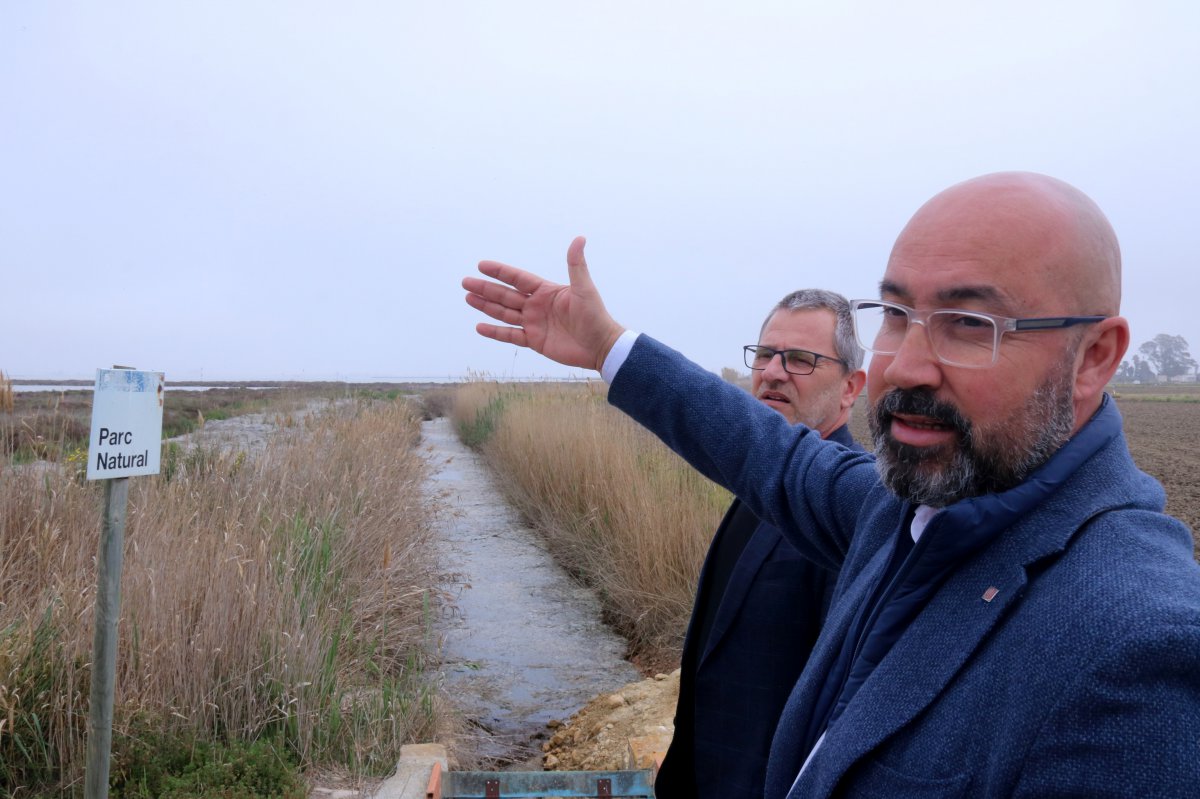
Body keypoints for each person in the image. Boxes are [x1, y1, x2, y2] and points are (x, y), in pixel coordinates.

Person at [464, 171, 1200, 797]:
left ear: (1095, 357)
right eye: (899, 314)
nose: (907, 366)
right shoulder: (903, 513)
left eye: (971, 324)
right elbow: (768, 455)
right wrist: (607, 346)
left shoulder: (1136, 650)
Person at [657, 289, 866, 799]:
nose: (773, 371)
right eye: (766, 355)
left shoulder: (852, 518)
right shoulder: (758, 486)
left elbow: (837, 710)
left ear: (849, 388)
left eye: (800, 360)